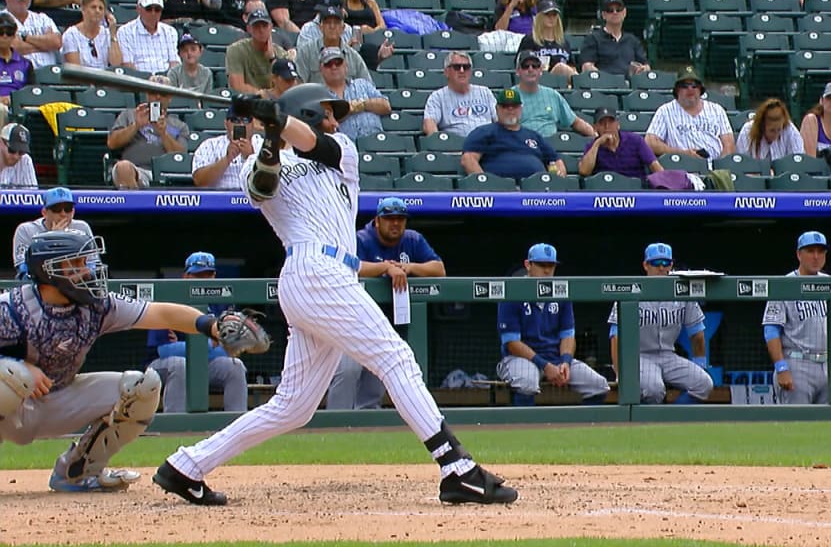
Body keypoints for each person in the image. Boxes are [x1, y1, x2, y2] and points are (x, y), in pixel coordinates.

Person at [152, 83, 518, 506]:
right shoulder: (264, 157)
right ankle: (457, 467)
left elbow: (313, 142)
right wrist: (269, 134)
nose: (334, 120)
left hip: (328, 274)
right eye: (325, 113)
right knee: (396, 358)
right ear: (304, 113)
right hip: (311, 269)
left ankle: (186, 466)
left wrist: (275, 119)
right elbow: (260, 189)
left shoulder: (341, 151)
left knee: (293, 407)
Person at [0, 229, 240, 492]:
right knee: (12, 376)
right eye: (77, 264)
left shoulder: (96, 305)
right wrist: (17, 365)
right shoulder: (13, 308)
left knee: (142, 387)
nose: (88, 271)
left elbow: (160, 313)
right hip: (13, 411)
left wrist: (213, 326)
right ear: (49, 270)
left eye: (86, 262)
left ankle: (76, 473)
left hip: (59, 399)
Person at [326, 197, 446, 410]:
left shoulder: (413, 240)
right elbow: (351, 266)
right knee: (348, 370)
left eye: (400, 219)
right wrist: (385, 268)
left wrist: (409, 268)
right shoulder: (361, 239)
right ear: (377, 220)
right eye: (389, 218)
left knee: (378, 376)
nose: (396, 223)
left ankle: (367, 428)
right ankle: (335, 423)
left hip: (387, 325)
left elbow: (439, 269)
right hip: (354, 323)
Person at [497, 243, 610, 407]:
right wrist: (545, 365)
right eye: (542, 265)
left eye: (551, 265)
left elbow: (568, 336)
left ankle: (580, 430)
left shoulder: (560, 292)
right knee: (526, 382)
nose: (547, 270)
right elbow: (512, 343)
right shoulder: (513, 291)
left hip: (556, 358)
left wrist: (565, 361)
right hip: (520, 359)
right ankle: (525, 429)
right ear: (528, 265)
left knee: (599, 385)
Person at [607, 243, 713, 404]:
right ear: (645, 265)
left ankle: (674, 421)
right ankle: (648, 425)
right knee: (654, 390)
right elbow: (615, 337)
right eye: (656, 263)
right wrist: (619, 372)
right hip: (640, 356)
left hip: (669, 356)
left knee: (704, 384)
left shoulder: (682, 291)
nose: (662, 268)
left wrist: (700, 364)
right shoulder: (630, 290)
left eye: (666, 263)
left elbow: (697, 334)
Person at [762, 231, 831, 405]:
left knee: (829, 426)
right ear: (799, 254)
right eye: (810, 251)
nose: (816, 256)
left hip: (830, 364)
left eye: (821, 251)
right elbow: (771, 331)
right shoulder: (784, 285)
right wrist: (781, 367)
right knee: (796, 425)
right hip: (797, 364)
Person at [145, 252, 248, 413]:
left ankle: (237, 427)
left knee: (235, 367)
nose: (204, 279)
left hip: (204, 363)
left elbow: (230, 350)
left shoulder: (222, 301)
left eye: (208, 274)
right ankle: (174, 428)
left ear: (214, 276)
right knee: (180, 365)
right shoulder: (169, 297)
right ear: (186, 276)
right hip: (162, 365)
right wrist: (210, 344)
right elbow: (163, 349)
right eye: (198, 274)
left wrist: (182, 346)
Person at [462, 88, 566, 179]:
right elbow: (468, 159)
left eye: (514, 106)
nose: (510, 110)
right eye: (505, 106)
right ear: (497, 109)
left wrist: (556, 180)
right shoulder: (484, 132)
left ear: (521, 108)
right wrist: (485, 184)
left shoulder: (534, 136)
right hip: (500, 191)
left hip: (536, 192)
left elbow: (556, 161)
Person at [107, 76, 189, 190]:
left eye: (163, 93)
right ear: (147, 94)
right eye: (153, 92)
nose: (158, 97)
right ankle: (137, 205)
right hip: (136, 171)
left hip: (166, 175)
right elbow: (112, 143)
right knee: (123, 167)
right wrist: (136, 126)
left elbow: (181, 156)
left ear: (170, 97)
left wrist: (163, 133)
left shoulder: (179, 125)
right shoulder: (129, 115)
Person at [644, 66, 735, 159]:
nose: (690, 89)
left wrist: (720, 167)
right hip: (681, 166)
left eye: (694, 85)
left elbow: (729, 145)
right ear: (677, 89)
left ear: (700, 89)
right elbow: (650, 142)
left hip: (714, 167)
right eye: (684, 86)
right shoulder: (665, 111)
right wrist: (682, 153)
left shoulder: (717, 110)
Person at [12, 187, 94, 279]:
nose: (63, 214)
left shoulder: (82, 228)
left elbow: (93, 266)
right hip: (37, 288)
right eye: (57, 209)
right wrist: (52, 240)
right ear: (44, 212)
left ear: (73, 212)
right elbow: (24, 272)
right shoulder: (26, 230)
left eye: (67, 209)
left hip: (75, 285)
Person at [514, 50, 595, 139]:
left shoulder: (552, 95)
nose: (530, 69)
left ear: (541, 71)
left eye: (535, 66)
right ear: (518, 71)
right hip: (521, 146)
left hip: (550, 146)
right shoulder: (510, 96)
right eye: (525, 66)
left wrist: (595, 136)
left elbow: (575, 122)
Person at [319, 46, 390, 140]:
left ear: (346, 66)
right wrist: (352, 108)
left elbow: (385, 106)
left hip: (376, 141)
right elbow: (326, 123)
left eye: (338, 62)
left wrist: (361, 105)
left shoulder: (362, 83)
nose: (334, 67)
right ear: (321, 69)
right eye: (328, 64)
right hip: (345, 147)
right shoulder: (319, 95)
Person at [422, 51, 497, 137]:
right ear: (446, 72)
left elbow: (500, 119)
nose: (462, 71)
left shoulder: (485, 92)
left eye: (466, 67)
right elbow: (429, 124)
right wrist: (440, 143)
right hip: (458, 147)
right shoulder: (438, 97)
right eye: (457, 67)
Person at [294, 4, 371, 85]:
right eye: (327, 22)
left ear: (343, 28)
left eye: (336, 23)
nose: (332, 26)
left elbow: (368, 86)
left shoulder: (353, 57)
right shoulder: (306, 52)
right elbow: (298, 85)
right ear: (321, 27)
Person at [579, 107, 660, 178]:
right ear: (595, 127)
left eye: (611, 122)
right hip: (606, 191)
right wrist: (597, 143)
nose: (607, 126)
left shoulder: (636, 141)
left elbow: (654, 165)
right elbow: (584, 171)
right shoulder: (592, 146)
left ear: (618, 125)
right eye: (602, 123)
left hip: (635, 190)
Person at [579, 0, 649, 76]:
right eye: (610, 10)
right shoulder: (593, 39)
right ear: (603, 15)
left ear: (624, 12)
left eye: (618, 9)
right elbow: (587, 67)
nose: (615, 12)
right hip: (603, 85)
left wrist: (643, 69)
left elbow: (646, 66)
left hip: (630, 85)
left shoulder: (633, 40)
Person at [1, 0, 61, 69]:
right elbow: (13, 47)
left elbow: (56, 42)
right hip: (17, 76)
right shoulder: (1, 18)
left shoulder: (43, 18)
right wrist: (45, 46)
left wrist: (25, 38)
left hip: (49, 75)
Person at [226, 8, 288, 95]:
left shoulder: (281, 54)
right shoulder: (235, 50)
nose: (261, 30)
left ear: (271, 27)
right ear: (249, 29)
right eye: (256, 26)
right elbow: (237, 86)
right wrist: (265, 95)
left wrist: (272, 59)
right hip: (246, 102)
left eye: (264, 26)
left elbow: (286, 87)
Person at [191, 105, 255, 189]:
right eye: (235, 120)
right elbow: (199, 181)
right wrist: (227, 159)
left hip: (256, 200)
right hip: (220, 199)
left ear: (252, 124)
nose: (241, 124)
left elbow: (274, 182)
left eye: (246, 120)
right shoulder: (210, 145)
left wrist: (252, 158)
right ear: (226, 124)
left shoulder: (262, 145)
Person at [115, 0, 179, 74]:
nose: (153, 13)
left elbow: (174, 62)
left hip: (166, 81)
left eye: (157, 9)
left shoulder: (170, 32)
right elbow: (128, 65)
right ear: (138, 9)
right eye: (148, 9)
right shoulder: (125, 31)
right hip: (138, 81)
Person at [61, 0, 122, 69]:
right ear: (83, 10)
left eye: (101, 8)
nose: (97, 11)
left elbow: (116, 65)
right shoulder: (71, 34)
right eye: (93, 7)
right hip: (80, 79)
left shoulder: (107, 34)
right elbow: (75, 70)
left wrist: (113, 36)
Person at [517, 0, 577, 77]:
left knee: (562, 68)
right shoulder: (529, 40)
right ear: (539, 17)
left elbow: (572, 66)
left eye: (554, 15)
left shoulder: (564, 42)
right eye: (547, 14)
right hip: (539, 81)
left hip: (563, 84)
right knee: (560, 67)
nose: (551, 18)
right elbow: (520, 66)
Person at [735, 98, 804, 161]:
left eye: (779, 130)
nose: (776, 134)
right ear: (762, 126)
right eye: (772, 130)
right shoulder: (747, 131)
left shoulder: (790, 129)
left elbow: (798, 162)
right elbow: (742, 164)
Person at [0, 13, 33, 128]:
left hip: (18, 104)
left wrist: (14, 99)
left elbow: (31, 91)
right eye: (0, 32)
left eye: (9, 33)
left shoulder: (25, 64)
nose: (4, 36)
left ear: (14, 36)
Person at [0, 122, 34, 188]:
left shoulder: (25, 160)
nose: (16, 156)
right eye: (12, 150)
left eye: (21, 152)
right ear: (1, 143)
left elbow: (32, 194)